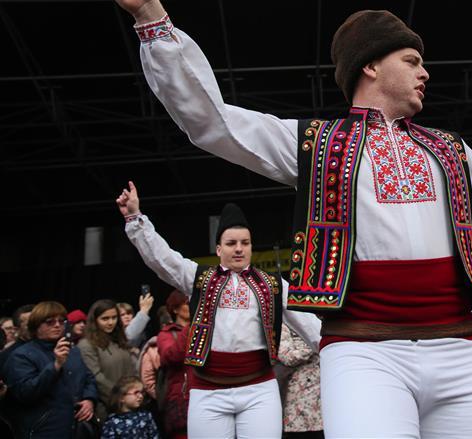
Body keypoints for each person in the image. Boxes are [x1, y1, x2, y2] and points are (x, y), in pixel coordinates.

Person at [105, 0, 472, 437]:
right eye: (412, 61)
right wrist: (152, 17)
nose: (426, 73)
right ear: (370, 64)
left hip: (459, 348)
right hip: (363, 354)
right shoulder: (315, 145)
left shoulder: (451, 150)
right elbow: (212, 122)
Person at [117, 185, 321, 439]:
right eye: (231, 243)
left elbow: (308, 323)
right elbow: (162, 259)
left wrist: (335, 351)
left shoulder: (272, 284)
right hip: (207, 390)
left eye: (245, 243)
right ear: (218, 249)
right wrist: (136, 219)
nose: (239, 248)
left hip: (259, 389)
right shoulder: (199, 277)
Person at [3, 301, 98, 438]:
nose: (58, 325)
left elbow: (89, 378)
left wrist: (89, 399)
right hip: (43, 429)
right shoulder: (21, 355)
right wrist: (55, 366)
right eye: (50, 322)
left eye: (61, 321)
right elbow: (25, 393)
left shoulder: (72, 350)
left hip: (74, 427)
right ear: (36, 326)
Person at [79, 299, 137, 421]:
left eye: (114, 317)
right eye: (105, 319)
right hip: (107, 408)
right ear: (95, 321)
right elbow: (96, 377)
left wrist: (135, 394)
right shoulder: (87, 345)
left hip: (131, 404)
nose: (111, 322)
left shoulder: (120, 341)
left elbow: (131, 371)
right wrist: (122, 397)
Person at [278, 322, 323, 439]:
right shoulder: (284, 322)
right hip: (299, 410)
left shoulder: (323, 320)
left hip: (325, 406)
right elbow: (287, 356)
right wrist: (314, 342)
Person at [156, 291, 191, 439]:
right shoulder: (166, 334)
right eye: (188, 303)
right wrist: (191, 327)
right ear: (175, 309)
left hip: (206, 393)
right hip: (181, 399)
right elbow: (172, 357)